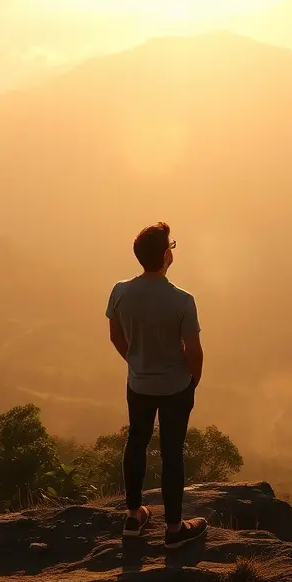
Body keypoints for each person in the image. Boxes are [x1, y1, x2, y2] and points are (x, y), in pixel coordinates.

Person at [105, 222, 208, 549]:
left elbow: (115, 336)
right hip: (176, 385)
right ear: (166, 255)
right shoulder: (182, 300)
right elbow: (193, 350)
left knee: (136, 443)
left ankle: (134, 517)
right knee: (172, 453)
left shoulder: (121, 291)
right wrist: (193, 379)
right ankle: (175, 529)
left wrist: (136, 362)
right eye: (172, 246)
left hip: (139, 383)